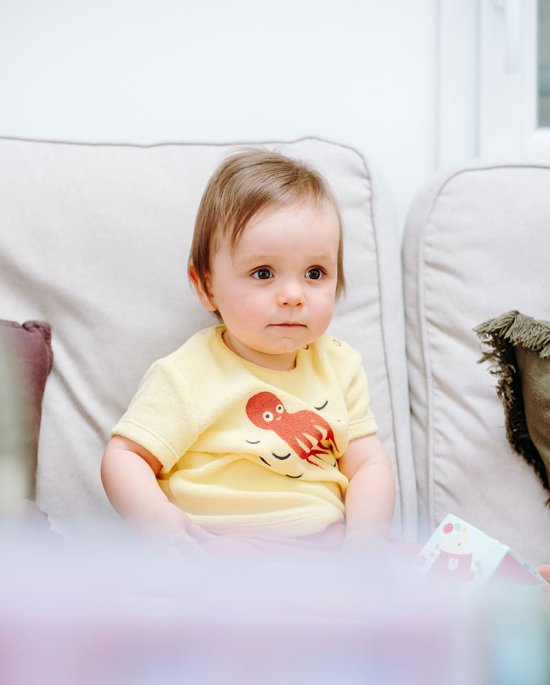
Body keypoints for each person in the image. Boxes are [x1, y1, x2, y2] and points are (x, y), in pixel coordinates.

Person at [101, 149, 395, 551]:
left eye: (315, 273)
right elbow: (125, 457)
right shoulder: (188, 371)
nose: (293, 295)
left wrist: (366, 540)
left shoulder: (340, 364)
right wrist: (158, 519)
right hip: (226, 542)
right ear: (206, 285)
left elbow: (367, 464)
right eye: (263, 273)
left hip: (327, 546)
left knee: (437, 573)